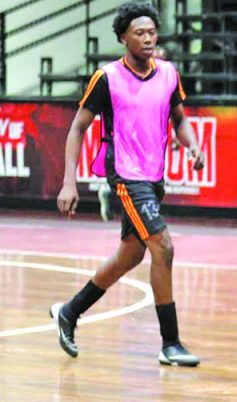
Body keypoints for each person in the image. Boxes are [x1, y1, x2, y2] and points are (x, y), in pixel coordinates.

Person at [51, 2, 205, 366]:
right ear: (123, 38)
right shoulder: (107, 78)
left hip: (153, 177)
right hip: (124, 174)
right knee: (163, 247)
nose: (148, 38)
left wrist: (193, 146)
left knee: (131, 254)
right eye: (140, 33)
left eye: (152, 32)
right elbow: (77, 128)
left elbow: (180, 119)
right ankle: (171, 344)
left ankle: (69, 312)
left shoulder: (168, 74)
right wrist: (68, 183)